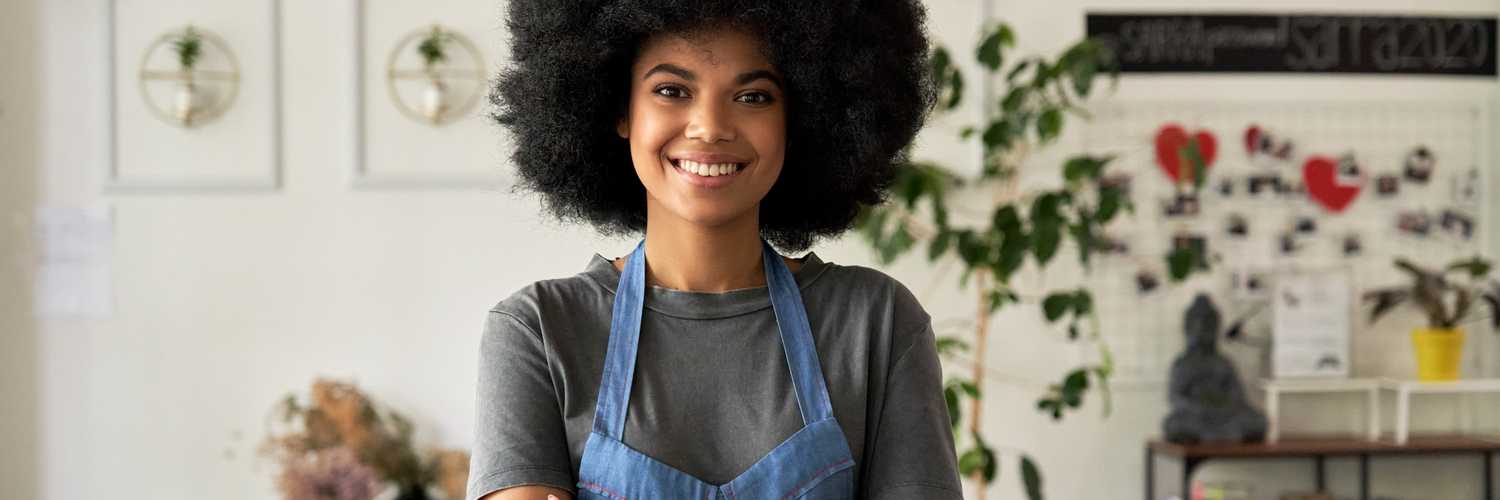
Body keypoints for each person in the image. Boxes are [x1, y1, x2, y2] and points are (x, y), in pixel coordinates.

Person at [468, 1, 960, 499]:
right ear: (621, 109)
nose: (710, 127)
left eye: (753, 96)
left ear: (799, 119)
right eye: (671, 91)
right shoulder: (538, 331)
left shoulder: (877, 323)